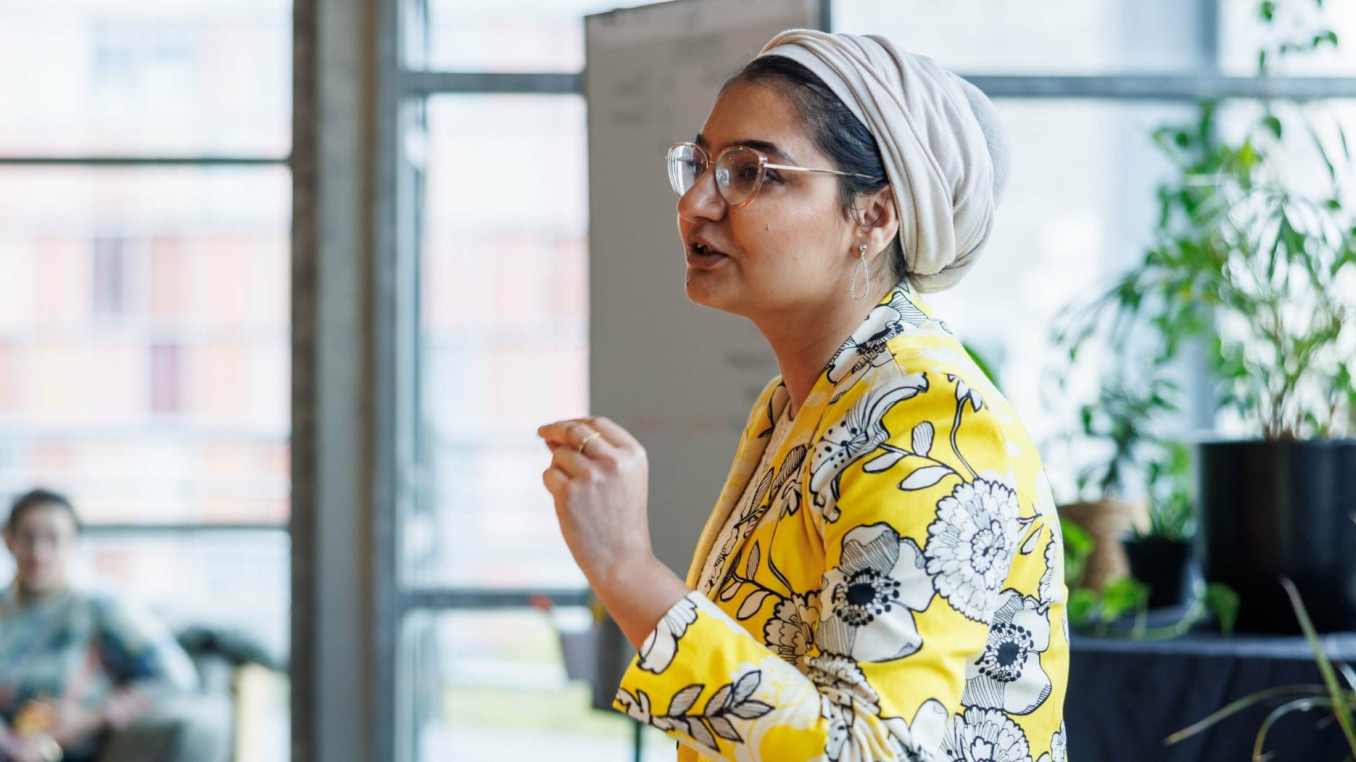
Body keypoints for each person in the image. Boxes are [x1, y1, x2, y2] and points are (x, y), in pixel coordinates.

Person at [539, 29, 1068, 762]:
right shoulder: (799, 405)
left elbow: (870, 752)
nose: (696, 202)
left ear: (874, 217)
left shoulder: (928, 413)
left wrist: (629, 572)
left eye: (752, 172)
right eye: (701, 163)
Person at [0, 489, 199, 762]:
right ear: (8, 539)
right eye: (28, 537)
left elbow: (177, 676)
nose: (39, 553)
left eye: (53, 539)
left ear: (73, 543)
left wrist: (89, 718)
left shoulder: (100, 607)